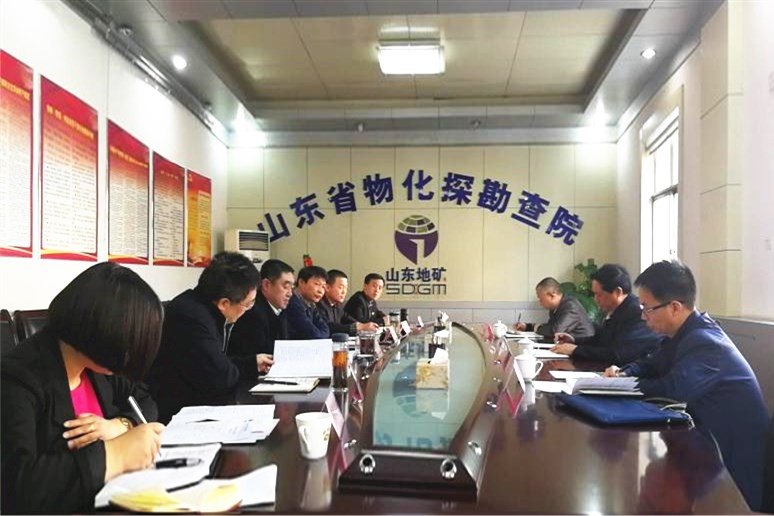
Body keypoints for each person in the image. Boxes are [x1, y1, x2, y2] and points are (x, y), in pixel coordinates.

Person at [1, 263, 165, 513]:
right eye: (128, 346)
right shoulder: (17, 379)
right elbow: (17, 489)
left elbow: (145, 402)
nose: (129, 358)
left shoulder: (95, 366)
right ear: (104, 331)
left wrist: (121, 425)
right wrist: (115, 455)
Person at [605, 260, 768, 511]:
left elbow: (672, 390)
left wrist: (622, 386)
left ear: (674, 307)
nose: (643, 316)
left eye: (647, 308)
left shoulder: (706, 341)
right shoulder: (682, 334)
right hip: (705, 447)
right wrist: (624, 372)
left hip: (737, 469)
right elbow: (650, 363)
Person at [147, 252, 271, 424]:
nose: (249, 309)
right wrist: (242, 367)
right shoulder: (190, 318)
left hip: (198, 404)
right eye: (248, 304)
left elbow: (215, 363)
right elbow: (222, 377)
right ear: (224, 303)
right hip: (177, 417)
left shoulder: (200, 305)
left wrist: (251, 363)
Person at [551, 263, 660, 365]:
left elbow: (617, 355)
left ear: (618, 292)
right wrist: (574, 340)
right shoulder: (617, 310)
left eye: (599, 295)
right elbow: (601, 341)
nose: (596, 299)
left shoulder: (637, 314)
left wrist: (575, 350)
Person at [229, 258, 293, 356]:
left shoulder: (281, 308)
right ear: (266, 285)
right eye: (286, 287)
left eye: (292, 287)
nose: (290, 293)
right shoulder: (252, 313)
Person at [514, 277, 594, 340]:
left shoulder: (571, 306)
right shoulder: (556, 307)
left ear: (552, 295)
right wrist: (527, 326)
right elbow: (550, 327)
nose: (540, 302)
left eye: (541, 298)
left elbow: (555, 331)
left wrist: (537, 327)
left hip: (582, 348)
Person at [317, 269, 379, 336]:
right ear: (327, 288)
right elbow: (329, 326)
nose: (344, 292)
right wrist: (358, 327)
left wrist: (361, 325)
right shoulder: (319, 304)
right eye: (340, 287)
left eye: (346, 288)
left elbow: (347, 318)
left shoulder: (338, 305)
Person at [285, 265, 330, 340]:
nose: (321, 291)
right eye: (317, 284)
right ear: (301, 282)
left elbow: (325, 329)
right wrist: (321, 335)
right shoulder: (292, 302)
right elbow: (312, 334)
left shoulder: (311, 304)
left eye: (323, 287)